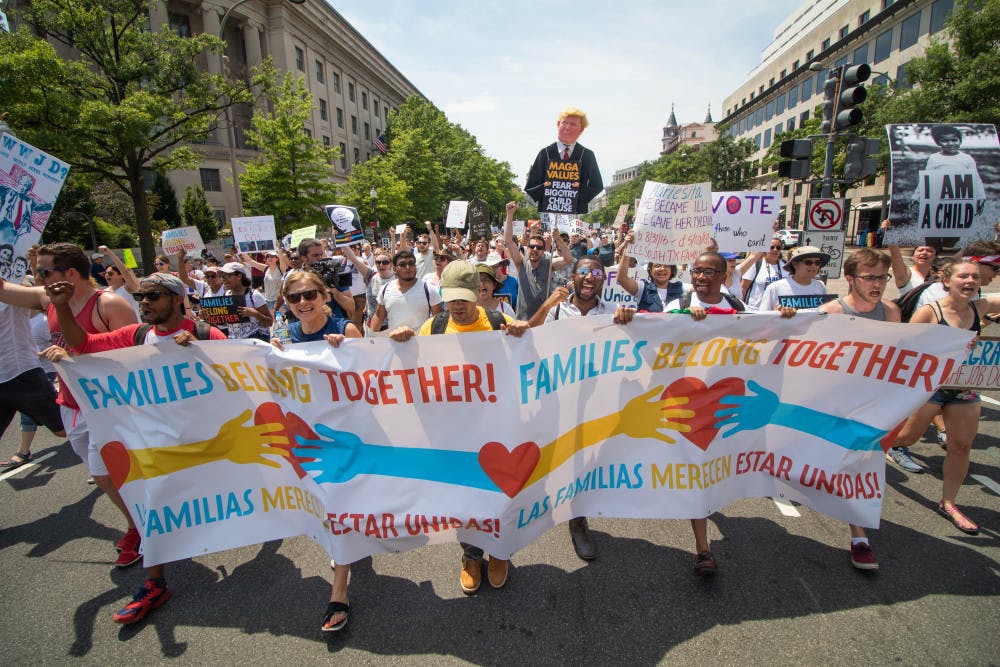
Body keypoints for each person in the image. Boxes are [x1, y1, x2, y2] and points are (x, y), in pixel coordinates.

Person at [43, 272, 226, 624]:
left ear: (176, 299)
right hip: (152, 441)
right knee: (151, 505)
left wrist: (203, 353)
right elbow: (83, 343)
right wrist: (62, 307)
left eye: (153, 296)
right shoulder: (136, 335)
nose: (144, 303)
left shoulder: (205, 334)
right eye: (141, 297)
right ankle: (154, 583)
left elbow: (239, 373)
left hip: (203, 439)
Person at [387, 261, 530, 594]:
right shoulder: (433, 328)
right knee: (463, 500)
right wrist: (400, 344)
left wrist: (525, 335)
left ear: (479, 293)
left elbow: (532, 359)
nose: (458, 306)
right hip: (453, 436)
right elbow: (405, 372)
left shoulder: (498, 323)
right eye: (451, 298)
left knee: (499, 496)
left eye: (464, 298)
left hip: (496, 431)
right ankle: (470, 555)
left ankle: (498, 552)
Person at [0, 242, 139, 563]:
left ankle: (141, 529)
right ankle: (141, 523)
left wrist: (75, 360)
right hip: (72, 404)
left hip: (110, 406)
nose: (37, 278)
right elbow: (4, 290)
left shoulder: (110, 305)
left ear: (72, 274)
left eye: (44, 272)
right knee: (107, 477)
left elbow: (136, 360)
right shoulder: (48, 299)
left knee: (106, 475)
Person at [528, 256, 636, 560]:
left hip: (596, 401)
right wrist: (547, 305)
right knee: (559, 456)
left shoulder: (612, 312)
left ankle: (578, 516)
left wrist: (630, 322)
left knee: (586, 459)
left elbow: (646, 338)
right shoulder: (559, 309)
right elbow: (527, 336)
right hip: (559, 398)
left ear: (604, 280)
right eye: (584, 272)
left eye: (596, 273)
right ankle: (557, 514)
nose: (590, 278)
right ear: (572, 277)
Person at [271, 270, 361, 632]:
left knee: (339, 503)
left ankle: (339, 593)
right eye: (294, 298)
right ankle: (348, 546)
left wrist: (346, 352)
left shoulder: (347, 331)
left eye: (310, 295)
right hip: (309, 438)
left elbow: (376, 380)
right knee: (330, 506)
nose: (303, 303)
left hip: (348, 435)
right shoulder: (283, 338)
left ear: (324, 296)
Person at [888, 260, 999, 535]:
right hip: (930, 387)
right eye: (964, 276)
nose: (971, 281)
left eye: (975, 277)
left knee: (960, 446)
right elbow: (905, 350)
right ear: (947, 281)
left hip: (964, 389)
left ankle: (949, 502)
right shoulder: (930, 311)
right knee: (906, 438)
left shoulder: (980, 307)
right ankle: (863, 455)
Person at [663, 252, 749, 574]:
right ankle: (703, 549)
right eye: (696, 271)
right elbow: (654, 338)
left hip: (725, 403)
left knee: (715, 468)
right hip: (690, 403)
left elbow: (766, 332)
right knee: (697, 472)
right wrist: (684, 318)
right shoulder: (678, 305)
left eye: (708, 271)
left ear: (724, 276)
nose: (700, 277)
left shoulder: (738, 309)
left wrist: (784, 317)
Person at [817, 248, 902, 570]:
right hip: (836, 404)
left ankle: (859, 537)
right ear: (851, 279)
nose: (877, 283)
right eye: (870, 277)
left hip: (874, 405)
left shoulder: (891, 313)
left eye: (883, 277)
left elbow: (907, 355)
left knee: (860, 465)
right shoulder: (831, 313)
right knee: (838, 464)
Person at [525, 107, 603, 214]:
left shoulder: (587, 155)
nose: (567, 128)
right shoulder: (545, 153)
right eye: (564, 123)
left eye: (573, 124)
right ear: (558, 125)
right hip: (549, 212)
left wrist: (578, 190)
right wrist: (546, 187)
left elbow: (597, 186)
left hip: (576, 213)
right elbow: (530, 187)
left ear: (581, 129)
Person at [503, 201, 573, 321]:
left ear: (543, 250)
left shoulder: (549, 264)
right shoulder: (521, 263)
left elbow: (568, 259)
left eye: (539, 247)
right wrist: (509, 215)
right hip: (522, 321)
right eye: (532, 246)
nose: (535, 249)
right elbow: (508, 241)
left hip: (543, 322)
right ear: (527, 248)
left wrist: (557, 238)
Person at [369, 251, 443, 332]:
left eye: (411, 263)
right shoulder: (385, 289)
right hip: (394, 342)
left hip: (422, 342)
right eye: (403, 264)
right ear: (394, 269)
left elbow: (439, 319)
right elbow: (379, 317)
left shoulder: (428, 289)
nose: (408, 267)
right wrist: (371, 338)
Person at [924, 125, 986, 217]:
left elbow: (976, 179)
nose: (950, 143)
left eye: (954, 140)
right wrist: (916, 197)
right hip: (940, 196)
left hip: (961, 197)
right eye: (945, 141)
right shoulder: (934, 158)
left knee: (960, 219)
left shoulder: (967, 159)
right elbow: (926, 180)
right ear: (938, 142)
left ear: (960, 141)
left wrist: (981, 196)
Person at [616, 231, 684, 311]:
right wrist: (628, 248)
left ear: (671, 270)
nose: (662, 269)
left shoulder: (681, 288)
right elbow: (622, 278)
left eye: (666, 266)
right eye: (657, 266)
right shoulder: (643, 288)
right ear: (650, 270)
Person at [757, 246, 830, 312]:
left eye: (817, 262)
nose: (814, 266)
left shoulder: (820, 286)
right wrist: (775, 314)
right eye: (808, 262)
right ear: (795, 264)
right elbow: (761, 319)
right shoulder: (775, 288)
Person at [219, 262, 272, 341]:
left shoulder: (254, 296)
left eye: (227, 276)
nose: (223, 279)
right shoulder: (226, 296)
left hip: (256, 342)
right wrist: (210, 317)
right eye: (222, 277)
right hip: (237, 342)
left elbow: (269, 322)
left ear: (239, 276)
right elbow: (225, 323)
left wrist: (254, 314)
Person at [739, 238, 786, 311]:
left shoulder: (786, 266)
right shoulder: (756, 265)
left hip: (779, 310)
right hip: (756, 310)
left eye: (778, 247)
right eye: (771, 247)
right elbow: (743, 289)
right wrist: (739, 308)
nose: (775, 249)